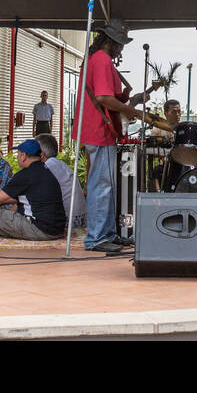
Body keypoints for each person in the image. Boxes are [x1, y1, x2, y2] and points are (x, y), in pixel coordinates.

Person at [77, 19, 161, 252]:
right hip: (98, 130)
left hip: (97, 129)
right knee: (101, 186)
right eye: (120, 44)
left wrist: (128, 101)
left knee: (105, 185)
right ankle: (96, 238)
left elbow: (110, 97)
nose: (122, 48)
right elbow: (104, 99)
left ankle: (106, 234)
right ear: (111, 42)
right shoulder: (102, 60)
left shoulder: (98, 60)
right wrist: (132, 111)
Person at [37, 132, 84, 229]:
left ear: (41, 154)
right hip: (79, 217)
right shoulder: (59, 164)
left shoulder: (48, 167)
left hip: (69, 220)